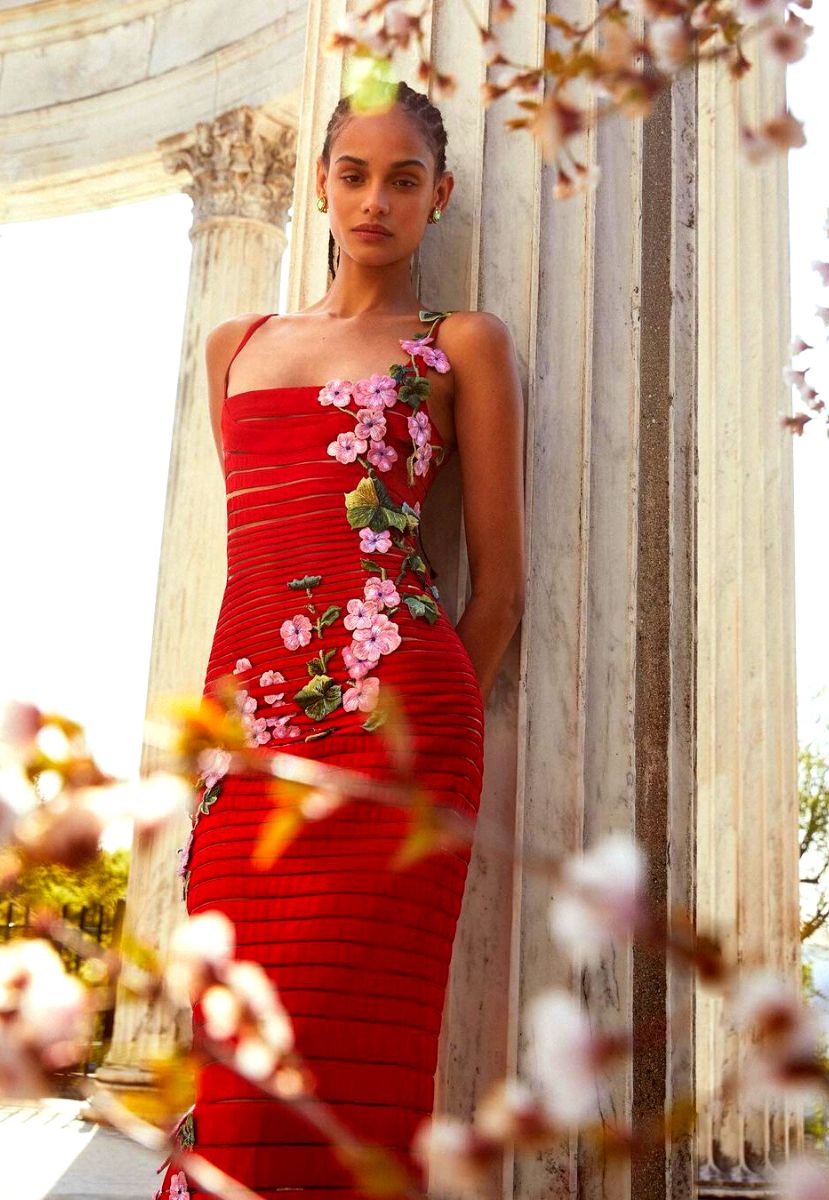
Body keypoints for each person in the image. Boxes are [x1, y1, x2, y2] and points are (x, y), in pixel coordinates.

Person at [154, 79, 525, 1199]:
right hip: (250, 751)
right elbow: (260, 560)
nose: (376, 199)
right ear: (319, 184)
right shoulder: (237, 343)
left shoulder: (460, 343)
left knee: (357, 1066)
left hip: (398, 735)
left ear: (440, 196)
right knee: (238, 1057)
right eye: (354, 173)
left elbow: (501, 584)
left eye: (404, 179)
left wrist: (429, 751)